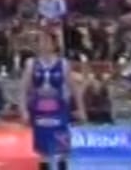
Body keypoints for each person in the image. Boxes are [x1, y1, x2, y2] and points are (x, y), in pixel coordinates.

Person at [20, 27, 79, 170]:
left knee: (62, 146)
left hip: (59, 107)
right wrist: (23, 110)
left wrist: (79, 108)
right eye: (40, 41)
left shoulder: (63, 63)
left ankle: (62, 166)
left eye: (47, 41)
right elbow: (23, 89)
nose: (43, 44)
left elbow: (74, 88)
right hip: (39, 108)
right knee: (43, 148)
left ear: (54, 44)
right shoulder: (31, 63)